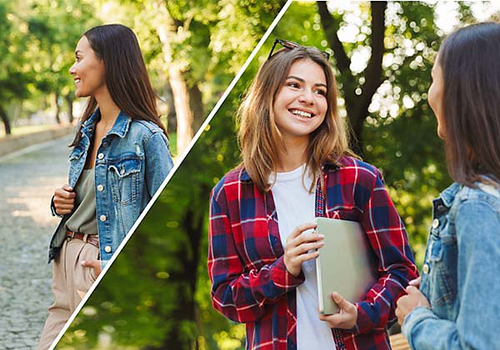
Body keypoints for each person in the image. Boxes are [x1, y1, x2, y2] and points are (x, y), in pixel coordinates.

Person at [207, 39, 418, 350]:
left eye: (320, 91)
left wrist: (362, 313)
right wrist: (284, 268)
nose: (308, 98)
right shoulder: (230, 193)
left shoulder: (359, 178)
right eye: (295, 85)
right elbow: (225, 298)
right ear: (267, 94)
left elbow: (402, 272)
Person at [395, 22, 500, 349]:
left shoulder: (479, 206)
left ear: (462, 93)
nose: (429, 91)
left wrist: (416, 317)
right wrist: (437, 288)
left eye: (434, 77)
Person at [37, 24, 174, 349]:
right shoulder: (87, 130)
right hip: (66, 259)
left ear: (108, 63)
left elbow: (168, 221)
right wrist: (61, 203)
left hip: (101, 262)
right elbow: (94, 197)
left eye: (79, 57)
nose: (72, 68)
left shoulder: (146, 137)